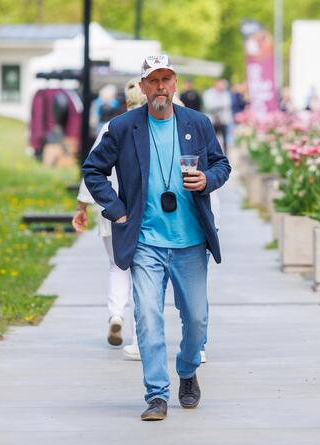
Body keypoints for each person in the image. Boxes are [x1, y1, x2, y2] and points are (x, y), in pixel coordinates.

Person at [83, 54, 231, 421]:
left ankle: (187, 369)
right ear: (144, 87)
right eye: (154, 80)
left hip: (190, 240)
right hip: (146, 241)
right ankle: (156, 395)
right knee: (148, 317)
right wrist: (116, 209)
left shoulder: (197, 123)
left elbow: (222, 164)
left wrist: (208, 180)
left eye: (166, 79)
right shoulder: (123, 127)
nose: (161, 86)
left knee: (196, 319)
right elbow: (93, 170)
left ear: (175, 83)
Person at [72, 79, 145, 353]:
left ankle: (116, 315)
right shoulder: (150, 126)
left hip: (109, 205)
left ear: (126, 103)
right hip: (136, 206)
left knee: (117, 265)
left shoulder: (110, 127)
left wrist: (81, 207)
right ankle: (140, 335)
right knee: (142, 269)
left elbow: (92, 169)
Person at [203, 79, 234, 154]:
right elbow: (209, 106)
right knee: (212, 140)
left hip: (224, 120)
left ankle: (225, 155)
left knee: (225, 140)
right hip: (212, 120)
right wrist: (220, 107)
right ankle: (212, 155)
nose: (222, 86)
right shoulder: (208, 93)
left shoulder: (226, 94)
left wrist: (219, 107)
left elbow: (227, 105)